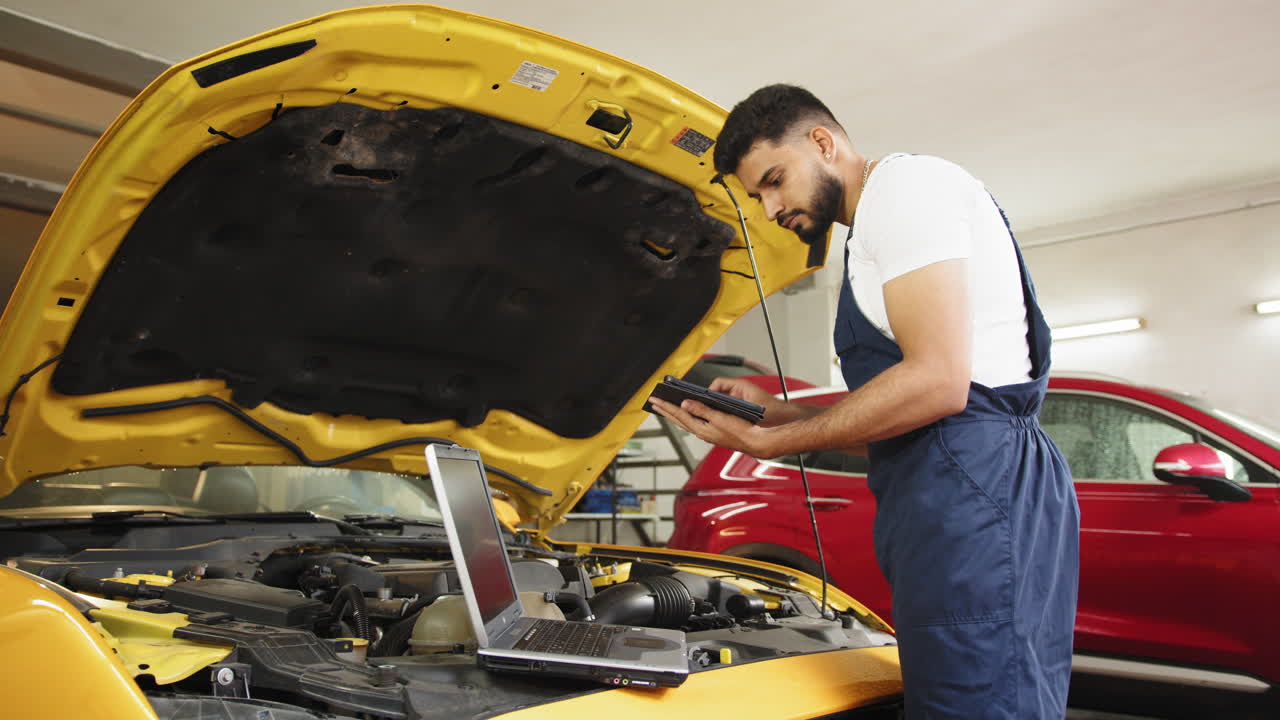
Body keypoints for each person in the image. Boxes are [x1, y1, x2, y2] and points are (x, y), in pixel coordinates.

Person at [649, 84, 1080, 719]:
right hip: (952, 487)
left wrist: (771, 443)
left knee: (982, 701)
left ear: (823, 143)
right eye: (757, 196)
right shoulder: (874, 224)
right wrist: (781, 414)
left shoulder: (906, 191)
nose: (770, 208)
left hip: (977, 492)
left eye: (775, 180)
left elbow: (939, 382)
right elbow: (913, 422)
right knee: (959, 694)